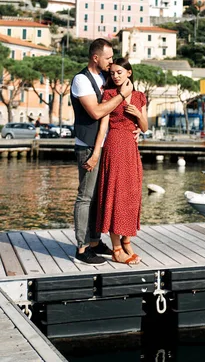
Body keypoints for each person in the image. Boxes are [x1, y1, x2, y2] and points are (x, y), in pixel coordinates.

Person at [70, 39, 134, 265]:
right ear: (95, 58)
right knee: (85, 197)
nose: (111, 62)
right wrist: (121, 96)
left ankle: (95, 242)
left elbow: (117, 115)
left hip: (107, 146)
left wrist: (133, 130)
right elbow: (97, 112)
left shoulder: (104, 78)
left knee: (99, 197)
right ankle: (81, 248)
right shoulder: (81, 80)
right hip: (87, 146)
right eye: (108, 58)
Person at [91, 58, 148, 265]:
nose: (115, 75)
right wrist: (97, 151)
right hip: (114, 146)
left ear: (129, 73)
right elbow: (103, 125)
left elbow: (145, 127)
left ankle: (127, 240)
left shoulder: (140, 96)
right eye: (112, 73)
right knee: (114, 194)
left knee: (131, 193)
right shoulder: (108, 95)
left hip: (131, 149)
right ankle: (116, 248)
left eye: (119, 72)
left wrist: (136, 114)